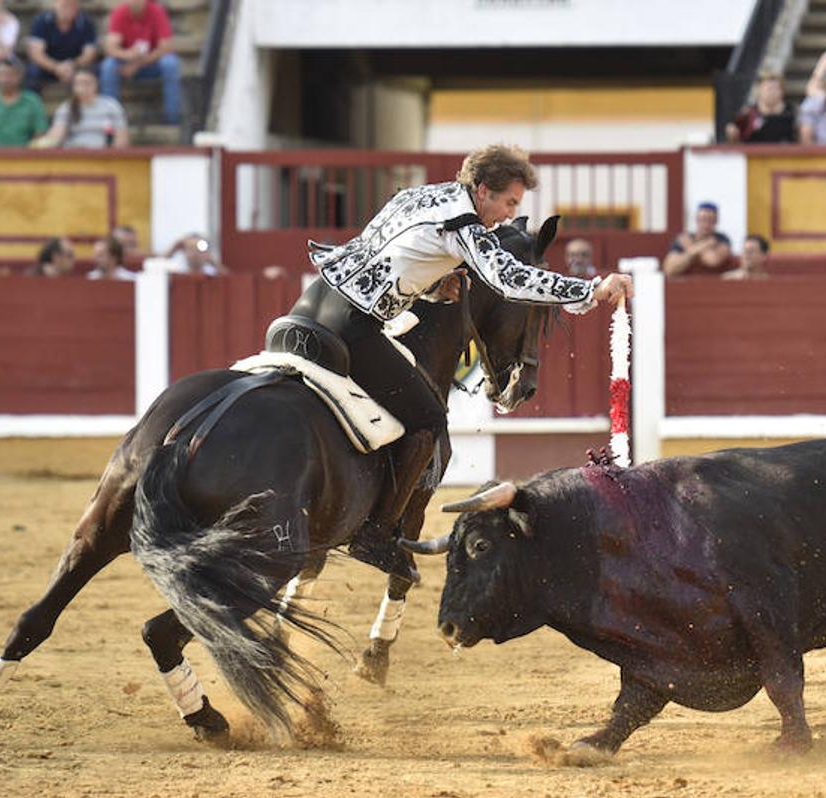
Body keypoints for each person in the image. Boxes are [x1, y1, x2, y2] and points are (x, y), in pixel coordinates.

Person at [297, 144, 632, 578]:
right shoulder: (463, 222)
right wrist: (591, 290)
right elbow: (508, 278)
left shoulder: (417, 196)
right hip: (353, 326)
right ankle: (375, 534)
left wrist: (434, 288)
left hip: (310, 303)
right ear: (482, 190)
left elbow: (389, 257)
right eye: (508, 202)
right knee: (428, 419)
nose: (509, 214)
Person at [101, 0, 181, 125]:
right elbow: (110, 47)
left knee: (170, 63)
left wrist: (137, 64)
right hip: (127, 64)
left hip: (151, 63)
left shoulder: (157, 11)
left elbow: (166, 47)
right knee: (108, 66)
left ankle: (172, 119)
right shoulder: (119, 12)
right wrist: (128, 55)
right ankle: (110, 120)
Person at [37, 68, 128, 148]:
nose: (84, 87)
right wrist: (41, 144)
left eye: (88, 83)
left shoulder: (111, 106)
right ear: (73, 87)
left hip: (103, 156)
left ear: (96, 84)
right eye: (79, 83)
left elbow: (121, 139)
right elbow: (56, 136)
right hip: (73, 156)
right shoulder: (66, 108)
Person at [0, 56, 48, 147]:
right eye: (2, 74)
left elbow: (40, 133)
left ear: (20, 76)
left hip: (25, 157)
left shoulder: (33, 101)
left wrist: (28, 154)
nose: (5, 79)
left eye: (10, 75)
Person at [25, 0, 99, 91]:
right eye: (64, 5)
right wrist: (56, 67)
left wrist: (73, 65)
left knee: (95, 71)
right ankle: (33, 103)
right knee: (33, 70)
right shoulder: (42, 21)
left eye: (72, 5)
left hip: (75, 66)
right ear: (55, 4)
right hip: (48, 66)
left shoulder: (86, 23)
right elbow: (36, 54)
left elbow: (89, 54)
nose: (68, 9)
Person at [663, 202, 733, 276]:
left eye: (710, 220)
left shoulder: (722, 239)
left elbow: (713, 261)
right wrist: (702, 246)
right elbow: (670, 269)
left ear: (716, 221)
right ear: (696, 219)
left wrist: (688, 248)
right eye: (703, 219)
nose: (706, 224)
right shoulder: (683, 239)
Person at [725, 70, 795, 144]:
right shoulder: (747, 115)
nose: (771, 92)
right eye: (768, 88)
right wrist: (732, 135)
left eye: (775, 88)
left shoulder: (792, 113)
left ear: (782, 91)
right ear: (760, 90)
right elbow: (734, 142)